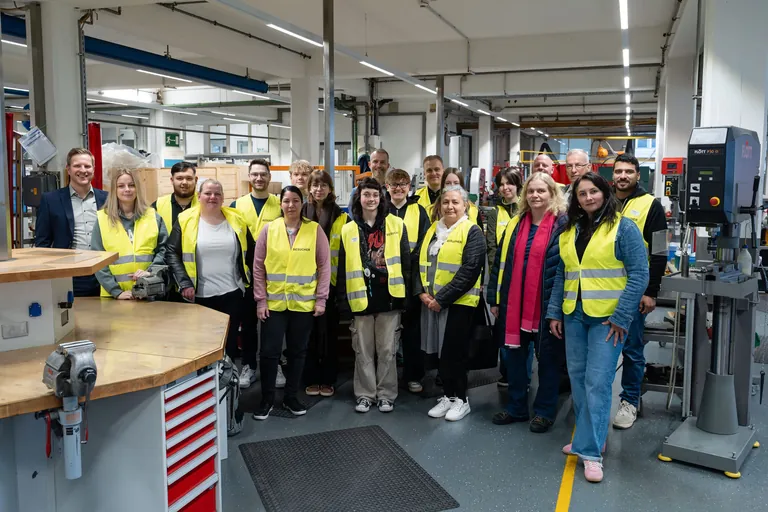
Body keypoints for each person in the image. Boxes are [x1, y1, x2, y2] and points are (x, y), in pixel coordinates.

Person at [547, 172, 648, 483]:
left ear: (605, 193)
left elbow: (639, 274)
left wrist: (622, 316)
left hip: (608, 319)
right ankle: (589, 438)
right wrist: (555, 312)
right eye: (582, 194)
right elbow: (563, 274)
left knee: (598, 382)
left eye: (593, 191)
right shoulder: (570, 229)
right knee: (578, 379)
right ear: (576, 200)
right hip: (574, 314)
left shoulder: (623, 228)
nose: (588, 197)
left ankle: (591, 454)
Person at [487, 173, 568, 433]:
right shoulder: (516, 223)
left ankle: (544, 411)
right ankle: (517, 408)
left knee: (548, 361)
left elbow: (566, 269)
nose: (535, 195)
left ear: (552, 194)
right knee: (515, 359)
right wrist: (495, 298)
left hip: (546, 305)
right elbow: (501, 262)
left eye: (541, 191)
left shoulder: (563, 225)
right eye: (531, 191)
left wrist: (558, 309)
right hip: (515, 303)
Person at [251, 186, 331, 420]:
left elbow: (324, 266)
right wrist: (260, 301)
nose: (291, 205)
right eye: (286, 201)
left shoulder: (314, 230)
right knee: (269, 353)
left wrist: (321, 299)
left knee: (298, 353)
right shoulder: (269, 230)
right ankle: (266, 400)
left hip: (303, 305)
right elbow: (258, 267)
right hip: (273, 305)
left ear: (302, 203)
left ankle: (290, 397)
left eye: (295, 200)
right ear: (280, 204)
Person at [337, 177, 411, 413]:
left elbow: (406, 264)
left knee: (388, 349)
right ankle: (365, 394)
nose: (371, 199)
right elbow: (342, 269)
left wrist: (405, 297)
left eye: (375, 195)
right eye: (366, 194)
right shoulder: (348, 229)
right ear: (359, 198)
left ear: (381, 198)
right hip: (360, 298)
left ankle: (386, 394)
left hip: (389, 297)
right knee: (363, 350)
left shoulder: (396, 225)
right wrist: (343, 302)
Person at [611, 153, 667, 429]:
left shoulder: (651, 205)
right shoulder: (603, 200)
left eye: (628, 171)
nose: (623, 176)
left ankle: (629, 401)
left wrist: (651, 291)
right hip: (602, 289)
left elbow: (659, 251)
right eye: (618, 171)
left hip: (633, 290)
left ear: (637, 175)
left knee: (632, 349)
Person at [166, 179, 250, 363]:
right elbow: (171, 252)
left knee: (229, 346)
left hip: (232, 293)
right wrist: (184, 282)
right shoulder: (185, 219)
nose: (213, 197)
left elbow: (250, 251)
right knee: (202, 347)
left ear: (223, 198)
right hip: (200, 296)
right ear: (199, 196)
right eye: (208, 193)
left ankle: (228, 379)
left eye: (217, 194)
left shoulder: (236, 219)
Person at [420, 185, 485, 422]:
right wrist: (422, 293)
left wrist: (442, 299)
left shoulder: (472, 232)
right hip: (432, 303)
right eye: (445, 202)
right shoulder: (433, 230)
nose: (450, 206)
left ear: (465, 205)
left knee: (454, 353)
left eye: (455, 202)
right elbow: (419, 262)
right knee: (440, 353)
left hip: (459, 304)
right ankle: (448, 396)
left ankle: (461, 400)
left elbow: (470, 270)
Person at [231, 158, 282, 389]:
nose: (259, 178)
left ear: (269, 177)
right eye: (255, 174)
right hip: (245, 273)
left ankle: (275, 364)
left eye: (263, 174)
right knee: (248, 322)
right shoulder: (236, 205)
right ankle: (249, 365)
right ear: (249, 177)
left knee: (273, 323)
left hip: (275, 273)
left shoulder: (280, 203)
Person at [35, 148, 108, 297]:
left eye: (87, 166)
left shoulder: (107, 199)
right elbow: (42, 244)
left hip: (103, 275)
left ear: (93, 169)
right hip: (69, 275)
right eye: (77, 166)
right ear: (68, 169)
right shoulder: (51, 200)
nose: (83, 170)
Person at [302, 170, 349, 398]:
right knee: (307, 333)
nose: (319, 189)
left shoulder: (342, 217)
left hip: (331, 283)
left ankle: (328, 379)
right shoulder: (301, 213)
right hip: (304, 283)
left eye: (323, 185)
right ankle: (310, 377)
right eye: (315, 185)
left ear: (330, 189)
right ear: (309, 188)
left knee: (329, 334)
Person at [91, 169, 168, 299]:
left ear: (137, 188)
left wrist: (150, 272)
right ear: (114, 190)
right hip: (115, 297)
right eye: (121, 186)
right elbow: (98, 259)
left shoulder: (153, 217)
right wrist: (116, 291)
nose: (127, 189)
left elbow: (164, 250)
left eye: (131, 185)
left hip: (150, 292)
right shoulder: (102, 219)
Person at [386, 169, 430, 393]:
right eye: (394, 185)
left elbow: (425, 242)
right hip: (386, 278)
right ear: (387, 187)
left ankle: (414, 376)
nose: (398, 188)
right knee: (387, 333)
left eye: (403, 184)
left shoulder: (419, 211)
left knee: (413, 331)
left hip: (412, 278)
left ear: (409, 187)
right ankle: (387, 377)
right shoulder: (381, 209)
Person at [485, 168, 522, 265]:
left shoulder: (526, 210)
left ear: (517, 185)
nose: (505, 187)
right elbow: (491, 246)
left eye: (509, 183)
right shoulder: (495, 212)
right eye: (501, 184)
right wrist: (493, 268)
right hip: (501, 266)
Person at [152, 161, 199, 231]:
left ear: (196, 180)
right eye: (179, 178)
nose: (184, 182)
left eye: (189, 178)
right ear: (172, 180)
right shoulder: (158, 205)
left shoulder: (205, 204)